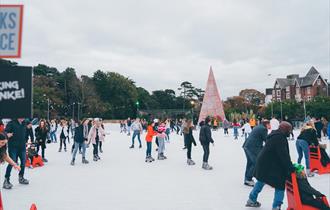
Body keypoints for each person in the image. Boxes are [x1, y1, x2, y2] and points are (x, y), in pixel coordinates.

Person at [246, 122, 295, 210]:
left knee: (261, 180)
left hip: (264, 163)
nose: (290, 132)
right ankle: (276, 206)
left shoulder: (275, 135)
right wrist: (291, 168)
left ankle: (251, 199)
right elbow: (284, 156)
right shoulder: (279, 138)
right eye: (289, 130)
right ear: (285, 130)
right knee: (280, 184)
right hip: (269, 164)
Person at [242, 120, 270, 186]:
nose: (270, 126)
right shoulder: (263, 129)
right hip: (252, 147)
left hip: (247, 146)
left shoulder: (258, 127)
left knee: (250, 163)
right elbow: (266, 140)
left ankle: (247, 179)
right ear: (266, 124)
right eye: (269, 124)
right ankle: (248, 179)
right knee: (255, 163)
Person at [3, 118, 29, 189]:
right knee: (12, 162)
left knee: (23, 162)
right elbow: (4, 133)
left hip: (22, 147)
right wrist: (7, 134)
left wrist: (26, 140)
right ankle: (6, 180)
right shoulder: (11, 123)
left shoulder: (24, 123)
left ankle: (21, 177)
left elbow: (26, 133)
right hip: (13, 147)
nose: (22, 118)